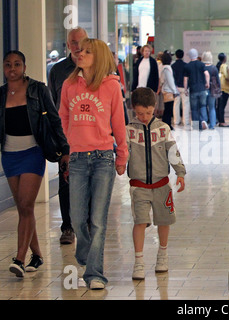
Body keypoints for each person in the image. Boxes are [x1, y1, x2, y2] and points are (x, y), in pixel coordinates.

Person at [59, 38, 128, 290]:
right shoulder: (69, 85)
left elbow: (118, 123)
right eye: (80, 51)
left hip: (103, 158)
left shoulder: (111, 86)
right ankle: (87, 255)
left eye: (88, 52)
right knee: (77, 219)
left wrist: (122, 156)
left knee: (98, 219)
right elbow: (63, 115)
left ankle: (95, 273)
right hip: (77, 158)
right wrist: (72, 140)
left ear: (98, 58)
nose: (81, 54)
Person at [1, 50, 69, 277]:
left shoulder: (38, 89)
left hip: (33, 152)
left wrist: (65, 150)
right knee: (23, 208)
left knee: (26, 204)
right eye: (8, 65)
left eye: (17, 64)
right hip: (9, 156)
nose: (12, 69)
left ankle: (19, 259)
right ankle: (37, 255)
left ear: (24, 67)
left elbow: (54, 118)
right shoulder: (1, 94)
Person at [126, 87, 186, 280]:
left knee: (164, 220)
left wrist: (180, 173)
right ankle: (139, 260)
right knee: (140, 221)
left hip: (162, 185)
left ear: (155, 108)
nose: (144, 117)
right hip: (138, 185)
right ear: (134, 109)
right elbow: (121, 153)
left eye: (149, 113)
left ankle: (163, 253)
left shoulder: (163, 129)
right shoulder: (128, 131)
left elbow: (173, 151)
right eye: (140, 113)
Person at [48, 26, 88, 245]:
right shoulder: (58, 71)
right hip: (66, 134)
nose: (77, 46)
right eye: (73, 42)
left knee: (90, 178)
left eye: (80, 41)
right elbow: (54, 105)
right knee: (66, 180)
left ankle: (89, 223)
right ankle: (67, 227)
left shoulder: (94, 67)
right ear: (68, 45)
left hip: (90, 133)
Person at [183, 48, 210, 130]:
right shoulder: (201, 64)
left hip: (193, 90)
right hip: (202, 89)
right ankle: (203, 121)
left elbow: (185, 79)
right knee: (203, 106)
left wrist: (185, 89)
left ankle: (195, 126)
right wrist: (207, 83)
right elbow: (207, 74)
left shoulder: (187, 66)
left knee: (194, 108)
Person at [160, 51, 178, 130]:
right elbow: (170, 81)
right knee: (168, 109)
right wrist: (175, 91)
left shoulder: (163, 68)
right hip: (169, 91)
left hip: (165, 90)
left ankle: (166, 123)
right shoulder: (167, 68)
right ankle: (167, 124)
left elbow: (162, 80)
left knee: (167, 108)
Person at [171, 49, 190, 127]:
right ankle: (185, 121)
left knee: (176, 104)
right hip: (184, 87)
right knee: (185, 104)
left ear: (176, 55)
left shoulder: (173, 66)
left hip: (176, 87)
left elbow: (172, 77)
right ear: (183, 55)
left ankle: (176, 121)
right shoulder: (186, 65)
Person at [202, 51, 219, 129]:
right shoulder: (214, 68)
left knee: (203, 106)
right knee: (212, 107)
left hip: (203, 88)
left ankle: (204, 121)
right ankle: (212, 125)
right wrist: (219, 89)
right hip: (213, 89)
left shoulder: (201, 67)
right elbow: (218, 80)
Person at [216, 53, 229, 127]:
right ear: (224, 58)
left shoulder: (217, 65)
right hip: (224, 88)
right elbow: (227, 76)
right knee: (222, 106)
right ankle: (222, 121)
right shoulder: (224, 66)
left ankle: (219, 120)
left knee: (219, 106)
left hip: (218, 88)